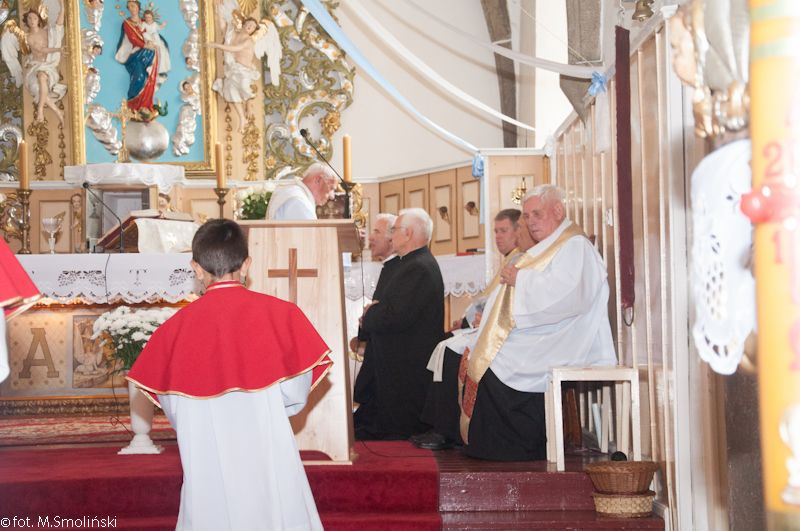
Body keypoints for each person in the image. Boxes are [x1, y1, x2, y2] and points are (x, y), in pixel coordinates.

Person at [127, 219, 330, 530]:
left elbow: (173, 408)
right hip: (267, 445)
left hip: (204, 452)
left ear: (196, 268)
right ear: (246, 264)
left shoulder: (173, 331)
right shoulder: (282, 316)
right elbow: (295, 395)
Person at [458, 185, 617, 461]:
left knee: (497, 358)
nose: (530, 221)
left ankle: (515, 446)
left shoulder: (575, 245)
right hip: (550, 329)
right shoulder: (552, 245)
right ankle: (492, 444)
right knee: (490, 352)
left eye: (536, 214)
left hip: (567, 335)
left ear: (558, 210)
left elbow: (568, 295)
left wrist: (521, 279)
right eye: (527, 215)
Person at [412, 208, 535, 450]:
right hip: (492, 324)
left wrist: (474, 321)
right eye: (495, 231)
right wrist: (468, 320)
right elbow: (488, 298)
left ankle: (445, 430)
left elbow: (507, 302)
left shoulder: (521, 260)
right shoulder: (512, 259)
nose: (498, 237)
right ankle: (439, 426)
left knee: (449, 350)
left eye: (504, 230)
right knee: (446, 344)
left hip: (510, 332)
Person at [359, 208, 445, 439]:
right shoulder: (409, 264)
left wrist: (370, 314)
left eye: (394, 229)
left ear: (408, 234)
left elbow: (395, 316)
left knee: (398, 432)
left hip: (408, 361)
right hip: (400, 355)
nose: (391, 235)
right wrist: (374, 312)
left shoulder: (418, 267)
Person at [351, 213, 399, 439]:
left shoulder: (401, 267)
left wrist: (371, 315)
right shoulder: (391, 267)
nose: (370, 237)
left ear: (392, 237)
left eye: (377, 232)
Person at [20, 0, 66, 124]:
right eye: (29, 18)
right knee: (38, 87)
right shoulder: (29, 37)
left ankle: (40, 110)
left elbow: (59, 26)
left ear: (39, 20)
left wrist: (62, 7)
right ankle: (57, 111)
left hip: (49, 66)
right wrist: (58, 49)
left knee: (41, 78)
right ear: (27, 21)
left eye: (34, 18)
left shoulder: (47, 31)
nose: (32, 20)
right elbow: (42, 50)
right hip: (36, 66)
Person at [115, 0, 159, 113]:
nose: (131, 8)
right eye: (129, 6)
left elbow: (153, 32)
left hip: (149, 53)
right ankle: (133, 105)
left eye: (133, 6)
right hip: (136, 54)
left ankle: (145, 105)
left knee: (149, 77)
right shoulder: (127, 23)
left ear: (138, 7)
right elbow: (132, 38)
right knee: (139, 76)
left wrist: (153, 43)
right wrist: (144, 45)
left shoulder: (145, 21)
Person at [266, 163, 337, 220]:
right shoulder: (299, 201)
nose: (332, 196)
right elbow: (310, 233)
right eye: (331, 188)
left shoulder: (293, 192)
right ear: (318, 180)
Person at [140, 9, 170, 80]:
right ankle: (151, 69)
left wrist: (163, 25)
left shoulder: (154, 24)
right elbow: (141, 30)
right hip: (149, 38)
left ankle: (161, 69)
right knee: (145, 34)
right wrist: (138, 26)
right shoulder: (144, 24)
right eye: (146, 17)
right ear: (144, 17)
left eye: (149, 17)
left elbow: (159, 27)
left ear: (152, 17)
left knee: (162, 51)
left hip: (156, 38)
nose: (148, 19)